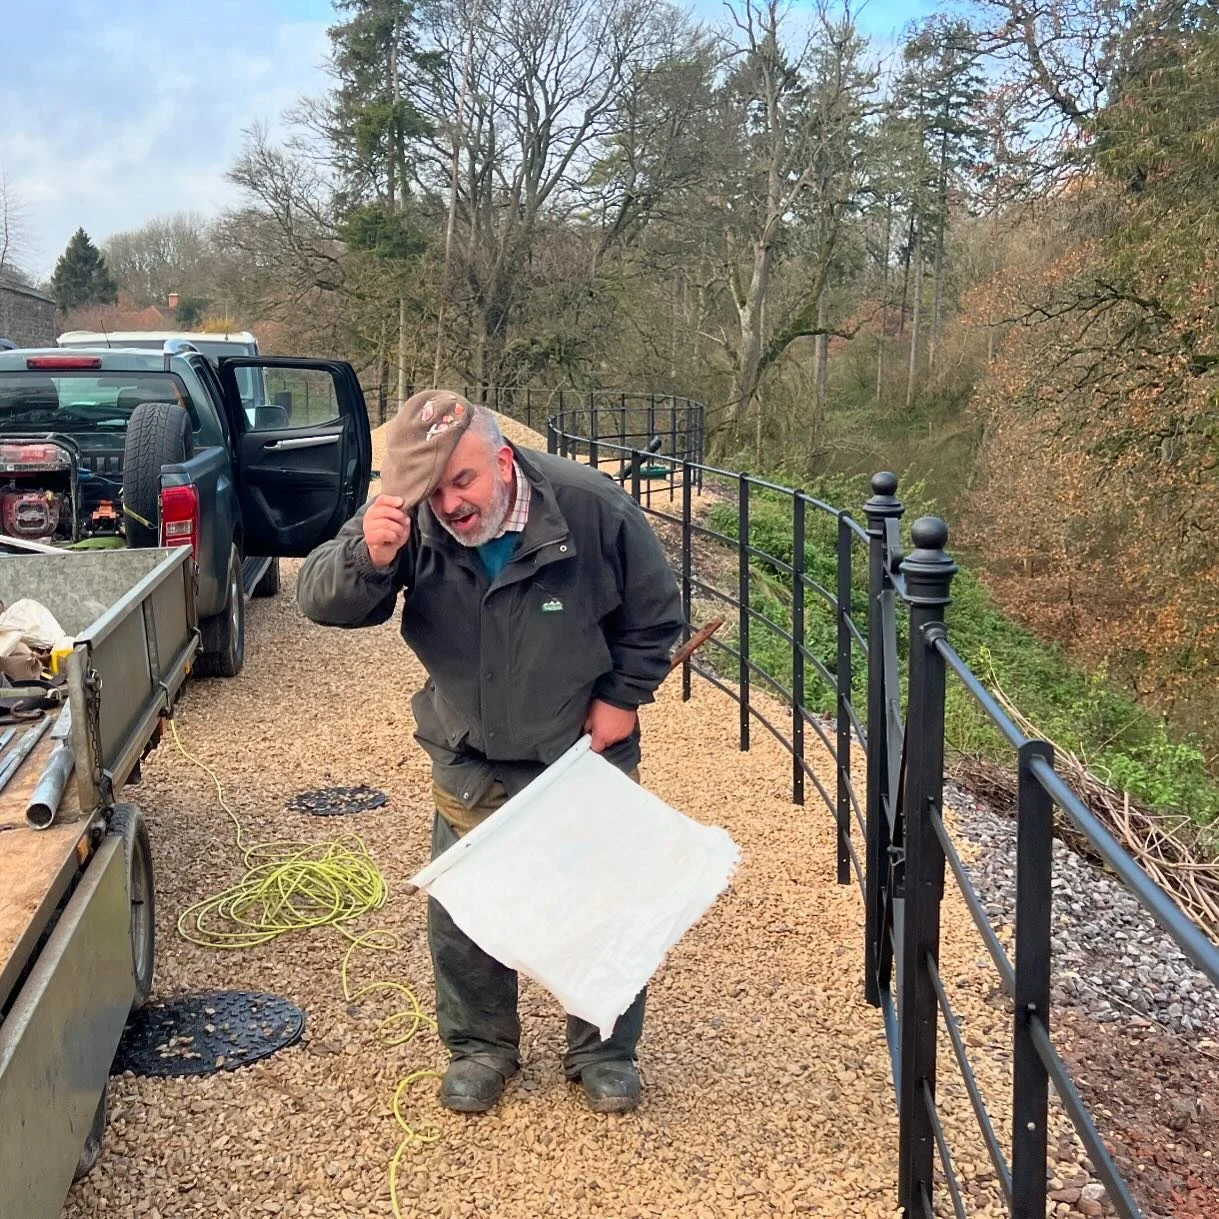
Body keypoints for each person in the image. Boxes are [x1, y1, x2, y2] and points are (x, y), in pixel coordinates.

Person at [296, 390, 684, 1115]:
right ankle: (481, 1047)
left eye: (463, 480)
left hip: (580, 742)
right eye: (433, 489)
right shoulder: (407, 511)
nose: (449, 501)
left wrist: (623, 697)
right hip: (469, 746)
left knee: (601, 901)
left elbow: (657, 612)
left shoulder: (590, 503)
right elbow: (319, 600)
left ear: (503, 460)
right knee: (468, 909)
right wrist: (369, 554)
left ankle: (602, 1046)